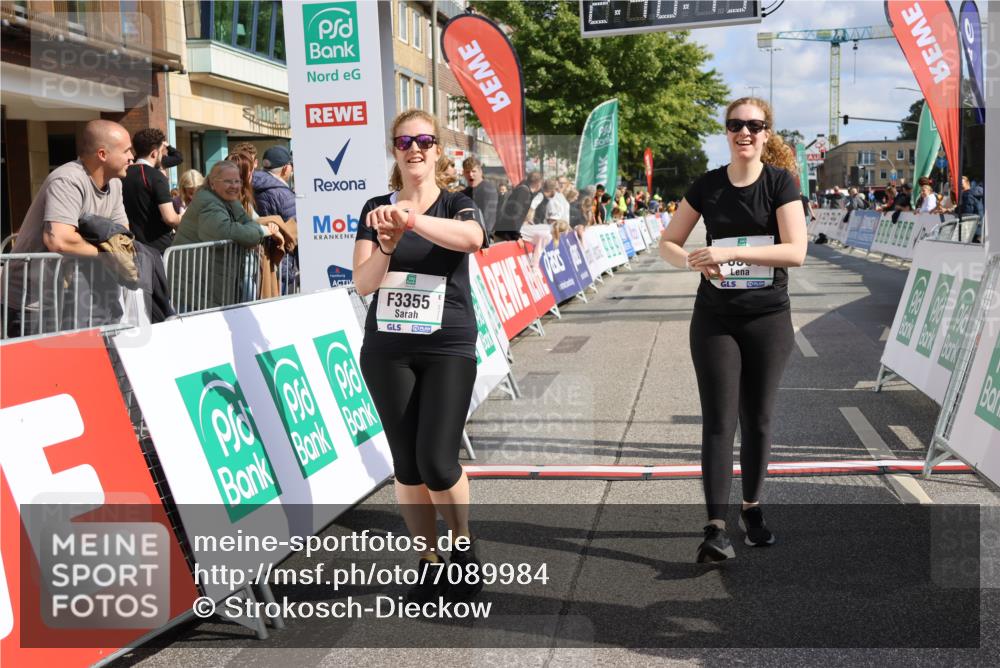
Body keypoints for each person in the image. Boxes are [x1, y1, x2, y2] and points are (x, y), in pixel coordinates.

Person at [658, 96, 806, 563]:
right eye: (736, 124)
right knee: (719, 421)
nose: (745, 132)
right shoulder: (707, 185)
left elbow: (796, 252)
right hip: (715, 317)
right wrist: (693, 261)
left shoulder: (780, 183)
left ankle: (752, 508)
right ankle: (715, 528)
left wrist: (729, 253)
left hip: (768, 317)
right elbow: (668, 242)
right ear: (726, 131)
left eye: (754, 125)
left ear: (766, 133)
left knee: (757, 418)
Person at [352, 109, 488, 604]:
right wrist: (387, 245)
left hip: (448, 345)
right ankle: (428, 562)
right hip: (388, 349)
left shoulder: (457, 203)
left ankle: (462, 546)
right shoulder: (375, 208)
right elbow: (363, 283)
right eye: (404, 142)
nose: (414, 149)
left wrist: (411, 220)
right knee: (407, 465)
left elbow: (473, 240)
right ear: (394, 150)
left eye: (424, 141)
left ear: (438, 151)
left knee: (437, 460)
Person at [7, 119, 134, 335]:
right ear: (102, 154)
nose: (132, 157)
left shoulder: (115, 184)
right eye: (126, 151)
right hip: (32, 302)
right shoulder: (68, 180)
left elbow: (121, 235)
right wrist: (106, 254)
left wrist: (111, 249)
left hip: (73, 300)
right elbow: (59, 239)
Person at [171, 161, 278, 308]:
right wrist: (260, 231)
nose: (234, 186)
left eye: (237, 181)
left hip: (207, 282)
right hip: (195, 286)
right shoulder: (208, 203)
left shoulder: (226, 199)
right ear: (213, 183)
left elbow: (246, 221)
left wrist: (253, 228)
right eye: (228, 181)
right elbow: (228, 232)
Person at [123, 128, 182, 254]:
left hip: (130, 247)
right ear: (154, 153)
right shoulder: (156, 176)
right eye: (161, 152)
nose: (162, 156)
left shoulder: (122, 174)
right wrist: (181, 218)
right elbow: (170, 218)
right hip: (158, 248)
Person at [253, 146, 296, 221]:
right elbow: (295, 225)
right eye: (291, 165)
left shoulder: (250, 184)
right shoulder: (284, 195)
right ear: (285, 168)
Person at [496, 171, 541, 241]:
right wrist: (515, 235)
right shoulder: (524, 192)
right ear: (538, 183)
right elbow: (515, 214)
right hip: (506, 233)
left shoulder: (524, 189)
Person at [462, 156, 498, 237]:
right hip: (468, 235)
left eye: (473, 171)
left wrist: (483, 238)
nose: (470, 174)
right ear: (463, 173)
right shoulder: (466, 192)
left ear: (480, 172)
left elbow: (489, 218)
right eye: (467, 172)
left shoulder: (488, 189)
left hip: (482, 237)